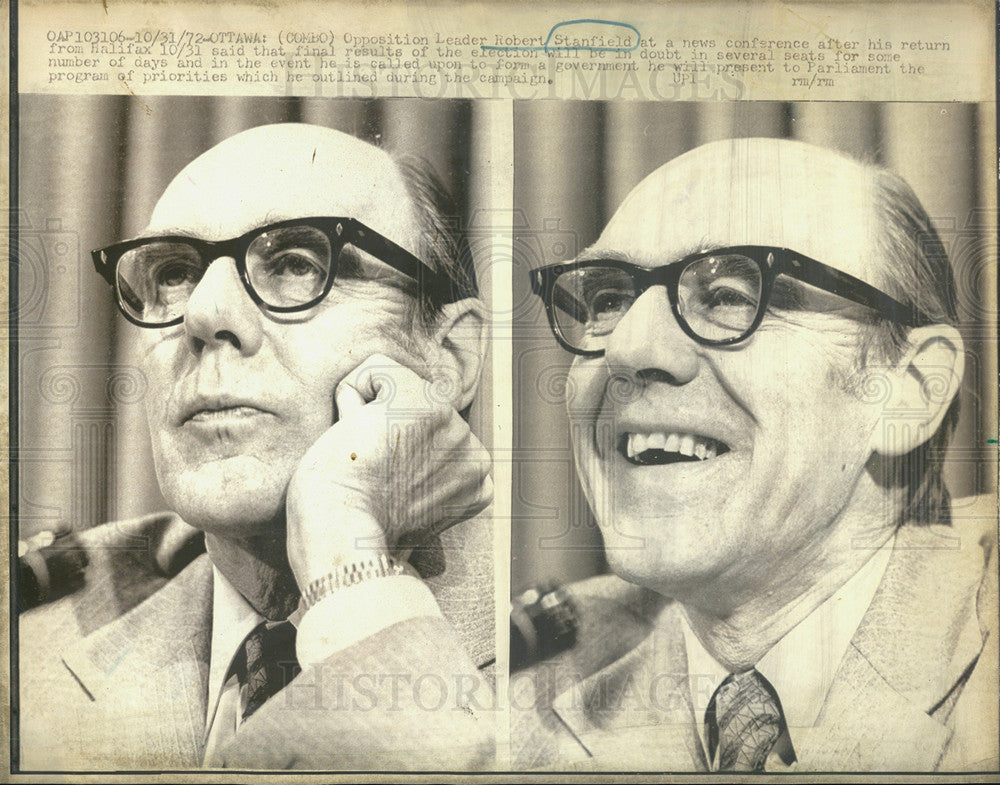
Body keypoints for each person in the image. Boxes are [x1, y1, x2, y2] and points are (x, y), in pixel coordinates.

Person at [18, 123, 495, 770]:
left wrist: (344, 547)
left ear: (448, 359)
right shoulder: (27, 647)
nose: (204, 313)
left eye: (299, 263)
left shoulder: (599, 659)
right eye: (174, 273)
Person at [513, 137, 997, 772]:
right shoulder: (520, 674)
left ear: (909, 391)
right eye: (609, 300)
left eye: (731, 295)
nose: (627, 348)